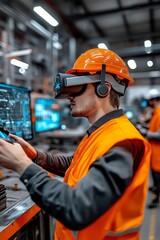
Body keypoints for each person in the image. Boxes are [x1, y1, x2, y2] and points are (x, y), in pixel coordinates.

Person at [0, 48, 151, 240]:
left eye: (75, 87)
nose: (68, 96)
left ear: (103, 87)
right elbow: (76, 165)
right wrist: (35, 156)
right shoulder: (102, 131)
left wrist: (22, 166)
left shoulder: (123, 142)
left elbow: (77, 208)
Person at [143, 89, 160, 208]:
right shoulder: (155, 113)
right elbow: (153, 128)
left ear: (154, 100)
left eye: (149, 100)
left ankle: (155, 198)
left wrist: (145, 132)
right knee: (154, 176)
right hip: (154, 152)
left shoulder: (159, 113)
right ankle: (155, 188)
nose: (148, 103)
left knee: (157, 177)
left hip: (158, 154)